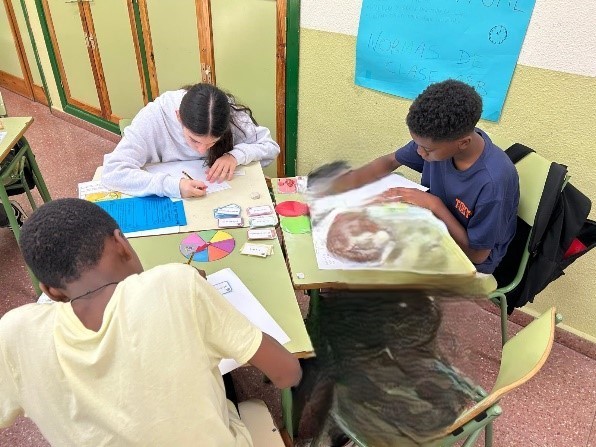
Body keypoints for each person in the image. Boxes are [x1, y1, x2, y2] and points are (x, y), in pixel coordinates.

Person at [0, 198, 301, 446]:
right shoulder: (176, 284)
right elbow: (287, 373)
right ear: (121, 244)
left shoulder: (14, 333)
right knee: (228, 390)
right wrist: (188, 291)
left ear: (51, 292)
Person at [324, 79, 519, 274]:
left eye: (426, 149)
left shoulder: (493, 183)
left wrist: (434, 205)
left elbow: (478, 256)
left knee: (367, 270)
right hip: (433, 226)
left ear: (463, 143)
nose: (419, 152)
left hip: (470, 263)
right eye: (416, 144)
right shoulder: (438, 140)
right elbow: (390, 161)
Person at [101, 83, 280, 199]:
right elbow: (113, 171)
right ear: (178, 117)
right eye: (194, 140)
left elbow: (270, 147)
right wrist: (174, 186)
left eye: (212, 143)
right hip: (170, 199)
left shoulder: (229, 114)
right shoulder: (154, 117)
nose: (202, 151)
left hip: (216, 198)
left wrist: (235, 156)